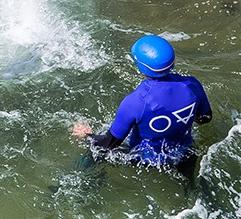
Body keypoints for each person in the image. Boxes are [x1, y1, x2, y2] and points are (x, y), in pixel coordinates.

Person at [71, 34, 211, 179]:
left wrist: (87, 136)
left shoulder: (135, 102)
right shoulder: (193, 85)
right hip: (184, 154)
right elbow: (205, 118)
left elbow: (108, 144)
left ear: (142, 69)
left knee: (95, 154)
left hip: (144, 160)